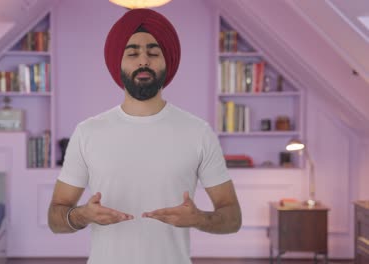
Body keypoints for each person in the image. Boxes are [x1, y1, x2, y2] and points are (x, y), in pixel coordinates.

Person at [48, 8, 241, 264]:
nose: (143, 61)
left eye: (153, 52)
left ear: (166, 62)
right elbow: (55, 218)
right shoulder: (88, 132)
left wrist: (199, 219)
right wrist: (82, 215)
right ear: (118, 61)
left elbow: (233, 217)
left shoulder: (198, 132)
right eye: (132, 53)